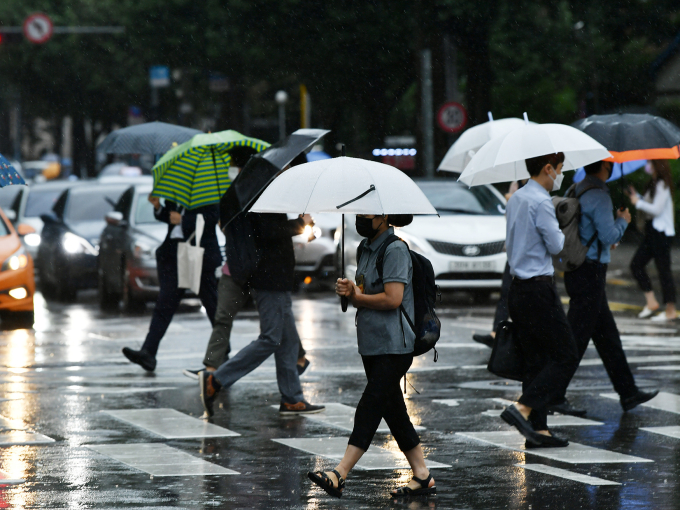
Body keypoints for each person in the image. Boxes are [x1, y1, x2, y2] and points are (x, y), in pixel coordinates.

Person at [308, 214, 435, 499]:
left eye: (367, 213)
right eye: (358, 213)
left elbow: (393, 298)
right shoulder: (363, 248)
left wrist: (357, 297)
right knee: (393, 411)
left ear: (384, 216)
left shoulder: (395, 250)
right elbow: (364, 291)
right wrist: (350, 291)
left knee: (371, 403)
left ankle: (340, 473)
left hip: (396, 345)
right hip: (371, 343)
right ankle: (423, 476)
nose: (360, 218)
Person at [198, 211, 324, 417]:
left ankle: (292, 398)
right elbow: (267, 231)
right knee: (271, 338)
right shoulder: (263, 195)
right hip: (270, 277)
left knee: (288, 341)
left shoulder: (267, 193)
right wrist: (300, 224)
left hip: (276, 278)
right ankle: (216, 379)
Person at [561, 160, 658, 413]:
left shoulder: (577, 189)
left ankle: (628, 392)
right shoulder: (600, 196)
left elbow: (591, 232)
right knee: (576, 337)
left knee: (607, 337)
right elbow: (609, 236)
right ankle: (550, 393)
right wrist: (622, 220)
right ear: (605, 166)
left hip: (578, 268)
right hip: (591, 271)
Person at [500, 152, 579, 448]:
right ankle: (521, 408)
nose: (560, 175)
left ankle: (538, 430)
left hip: (518, 288)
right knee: (565, 354)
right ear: (547, 169)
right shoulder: (541, 201)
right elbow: (558, 245)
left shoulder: (517, 198)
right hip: (538, 289)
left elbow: (511, 241)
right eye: (559, 170)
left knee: (536, 359)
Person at [122, 196, 221, 371]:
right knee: (164, 304)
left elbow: (213, 216)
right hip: (174, 253)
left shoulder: (206, 189)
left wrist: (184, 220)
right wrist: (158, 207)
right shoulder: (177, 190)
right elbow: (168, 217)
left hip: (199, 253)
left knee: (212, 305)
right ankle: (148, 352)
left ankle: (221, 354)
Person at [473, 179, 526, 348]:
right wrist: (510, 204)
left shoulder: (538, 188)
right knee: (506, 291)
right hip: (514, 249)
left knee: (524, 295)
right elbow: (509, 218)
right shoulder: (515, 185)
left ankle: (524, 336)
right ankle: (497, 332)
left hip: (527, 252)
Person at [628, 160, 677, 321]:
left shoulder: (662, 184)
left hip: (661, 232)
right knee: (636, 264)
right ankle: (651, 302)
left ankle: (670, 310)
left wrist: (639, 203)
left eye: (650, 162)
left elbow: (656, 209)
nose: (647, 165)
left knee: (664, 270)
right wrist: (638, 198)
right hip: (652, 232)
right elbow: (650, 204)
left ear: (657, 165)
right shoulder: (653, 183)